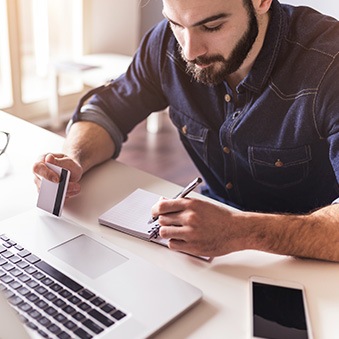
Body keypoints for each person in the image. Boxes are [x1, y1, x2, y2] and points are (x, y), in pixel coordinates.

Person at [33, 0, 339, 261]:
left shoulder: (330, 63)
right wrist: (74, 158)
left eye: (212, 27)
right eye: (177, 24)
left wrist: (242, 230)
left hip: (309, 260)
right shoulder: (166, 45)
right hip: (209, 246)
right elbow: (107, 108)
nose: (190, 52)